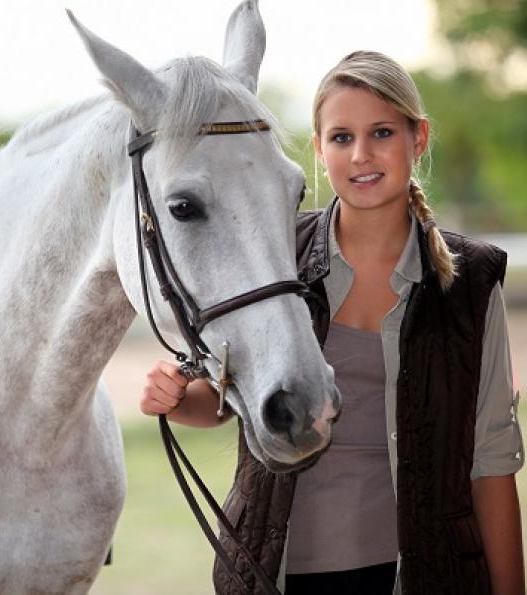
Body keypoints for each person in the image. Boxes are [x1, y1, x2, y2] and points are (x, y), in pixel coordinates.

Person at [140, 50, 524, 595]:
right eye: (342, 137)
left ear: (418, 139)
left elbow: (492, 459)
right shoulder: (277, 254)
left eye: (382, 133)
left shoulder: (471, 281)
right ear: (320, 149)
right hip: (278, 574)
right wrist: (177, 399)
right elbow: (227, 398)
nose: (361, 154)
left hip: (424, 576)